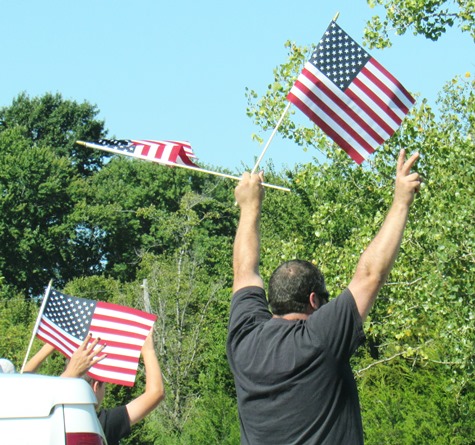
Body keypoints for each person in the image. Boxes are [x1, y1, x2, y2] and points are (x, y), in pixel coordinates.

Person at [226, 149, 422, 444]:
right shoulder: (319, 339)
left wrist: (249, 207)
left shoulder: (243, 340)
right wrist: (401, 202)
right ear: (314, 300)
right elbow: (370, 275)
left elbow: (244, 271)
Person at [24, 330, 165, 445]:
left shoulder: (45, 418)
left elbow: (22, 383)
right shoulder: (101, 424)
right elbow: (155, 393)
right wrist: (148, 351)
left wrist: (50, 345)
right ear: (96, 386)